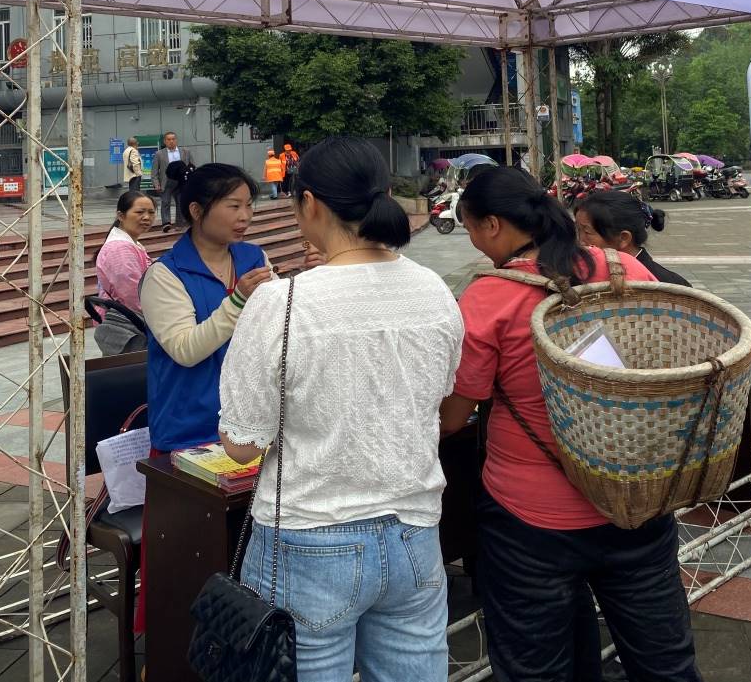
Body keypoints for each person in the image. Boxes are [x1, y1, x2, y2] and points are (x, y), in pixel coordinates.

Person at [440, 166, 701, 682]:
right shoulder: (623, 267)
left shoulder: (488, 298)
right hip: (634, 496)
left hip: (530, 520)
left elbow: (453, 416)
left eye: (469, 227)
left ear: (492, 225)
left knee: (538, 668)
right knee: (665, 662)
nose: (472, 240)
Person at [219, 137, 464, 682]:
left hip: (307, 536)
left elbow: (241, 445)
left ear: (310, 204)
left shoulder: (281, 302)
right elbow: (440, 398)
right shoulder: (433, 290)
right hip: (415, 532)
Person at [139, 163, 274, 454]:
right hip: (190, 434)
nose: (245, 216)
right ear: (197, 211)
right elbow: (185, 350)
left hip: (252, 428)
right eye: (233, 206)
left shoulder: (254, 258)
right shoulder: (166, 274)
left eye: (249, 205)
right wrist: (238, 301)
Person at [575, 189, 692, 287]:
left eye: (587, 232)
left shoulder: (671, 287)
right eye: (578, 230)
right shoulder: (578, 277)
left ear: (623, 238)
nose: (580, 241)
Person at [93, 190, 155, 355]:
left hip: (130, 323)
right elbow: (132, 296)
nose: (147, 217)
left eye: (151, 212)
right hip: (129, 328)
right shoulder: (120, 249)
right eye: (140, 212)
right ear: (121, 215)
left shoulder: (130, 244)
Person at [152, 130, 194, 232]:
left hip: (181, 181)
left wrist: (191, 180)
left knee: (180, 202)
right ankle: (166, 223)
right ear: (165, 141)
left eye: (173, 139)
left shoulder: (185, 152)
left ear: (176, 140)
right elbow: (154, 171)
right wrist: (156, 184)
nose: (171, 141)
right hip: (167, 181)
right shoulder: (159, 154)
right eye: (169, 139)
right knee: (165, 202)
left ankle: (180, 224)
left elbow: (192, 166)